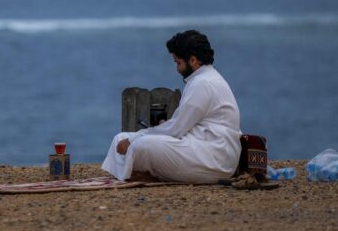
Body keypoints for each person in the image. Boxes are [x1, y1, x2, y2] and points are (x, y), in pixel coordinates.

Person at [101, 30, 241, 183]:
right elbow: (182, 126)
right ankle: (140, 174)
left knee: (141, 145)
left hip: (214, 158)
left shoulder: (203, 83)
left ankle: (137, 174)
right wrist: (135, 137)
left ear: (193, 60)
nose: (176, 69)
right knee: (120, 138)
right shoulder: (202, 79)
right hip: (201, 149)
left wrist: (134, 139)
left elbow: (176, 129)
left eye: (178, 62)